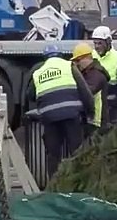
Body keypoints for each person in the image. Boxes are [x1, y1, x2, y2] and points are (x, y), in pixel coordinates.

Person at [25, 44, 93, 181]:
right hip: (71, 114)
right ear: (60, 55)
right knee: (77, 150)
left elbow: (30, 95)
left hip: (50, 117)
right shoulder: (68, 66)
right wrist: (90, 111)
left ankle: (53, 184)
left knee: (53, 153)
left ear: (45, 58)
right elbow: (84, 90)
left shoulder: (38, 72)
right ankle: (78, 182)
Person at [91, 25, 117, 124]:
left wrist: (112, 102)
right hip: (93, 105)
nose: (97, 46)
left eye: (100, 43)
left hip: (110, 107)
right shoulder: (91, 56)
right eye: (95, 43)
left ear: (108, 42)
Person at [71, 42, 111, 141]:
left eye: (78, 60)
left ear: (87, 58)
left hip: (96, 122)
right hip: (92, 121)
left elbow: (87, 92)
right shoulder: (88, 73)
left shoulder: (96, 75)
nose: (76, 64)